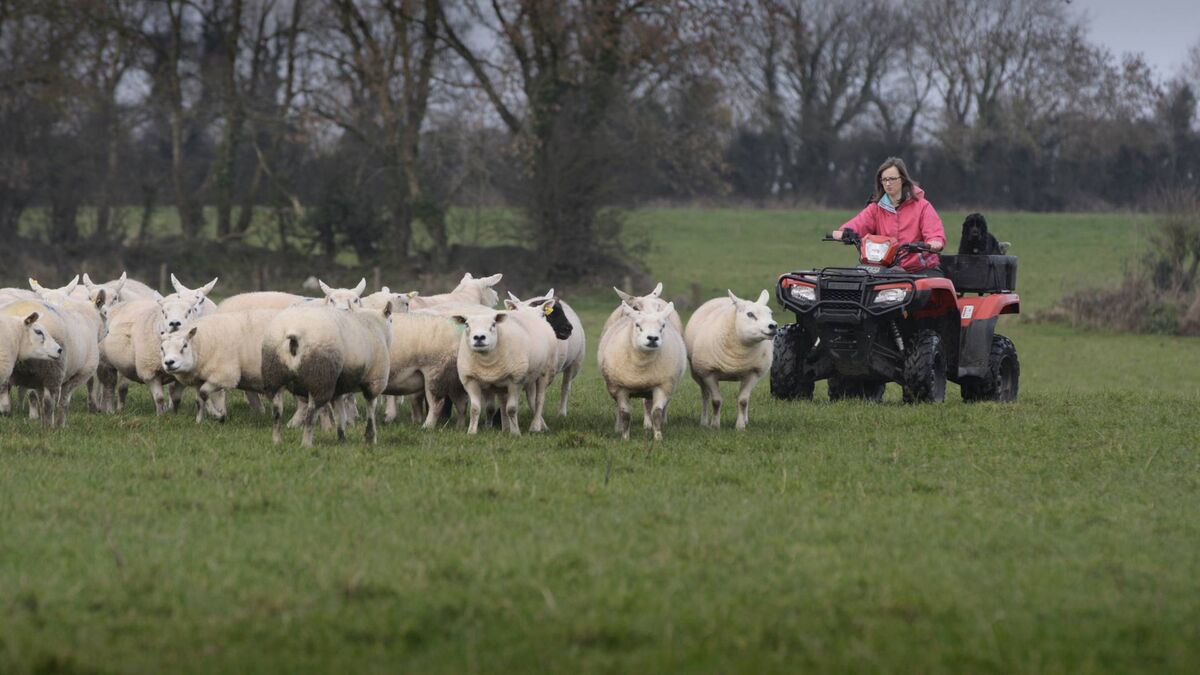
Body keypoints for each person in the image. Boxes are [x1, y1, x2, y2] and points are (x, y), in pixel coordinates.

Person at [831, 157, 946, 275]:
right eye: (884, 179)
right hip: (887, 269)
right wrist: (844, 232)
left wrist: (933, 243)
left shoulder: (923, 206)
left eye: (892, 179)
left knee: (923, 288)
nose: (887, 183)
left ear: (902, 179)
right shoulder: (876, 208)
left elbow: (935, 234)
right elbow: (858, 223)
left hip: (920, 270)